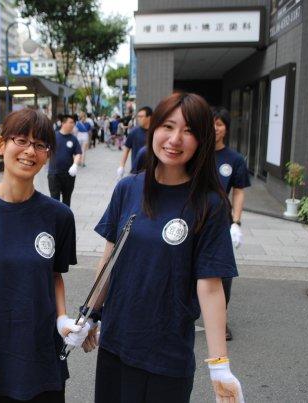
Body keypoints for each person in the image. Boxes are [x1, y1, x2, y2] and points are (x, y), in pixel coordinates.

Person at [83, 93, 244, 403]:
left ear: (202, 140)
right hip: (116, 342)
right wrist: (89, 314)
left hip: (166, 353)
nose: (175, 139)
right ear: (153, 128)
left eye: (189, 131)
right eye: (168, 126)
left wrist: (220, 365)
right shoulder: (128, 188)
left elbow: (210, 287)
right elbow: (109, 260)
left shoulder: (209, 203)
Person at [0, 108, 90, 403]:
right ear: (0, 145)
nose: (29, 151)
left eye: (40, 145)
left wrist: (61, 318)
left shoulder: (59, 216)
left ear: (48, 155)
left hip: (44, 355)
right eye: (21, 140)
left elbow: (54, 275)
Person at [213, 106, 251, 341]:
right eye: (210, 123)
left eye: (219, 124)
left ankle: (221, 320)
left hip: (220, 221)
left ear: (225, 128)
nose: (214, 128)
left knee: (223, 272)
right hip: (191, 217)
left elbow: (238, 191)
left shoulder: (234, 159)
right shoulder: (194, 152)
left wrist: (236, 222)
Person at [48, 114, 83, 207]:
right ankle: (55, 219)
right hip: (54, 173)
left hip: (68, 174)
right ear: (63, 123)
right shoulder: (53, 136)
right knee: (54, 199)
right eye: (70, 122)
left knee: (67, 199)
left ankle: (65, 219)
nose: (73, 125)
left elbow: (78, 153)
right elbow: (45, 149)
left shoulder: (73, 139)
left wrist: (75, 165)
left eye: (74, 123)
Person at [117, 106, 152, 179]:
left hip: (153, 170)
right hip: (136, 171)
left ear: (149, 117)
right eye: (138, 116)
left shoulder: (156, 132)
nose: (138, 119)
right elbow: (126, 149)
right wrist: (121, 166)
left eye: (141, 116)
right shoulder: (134, 132)